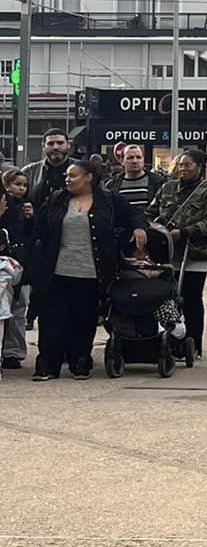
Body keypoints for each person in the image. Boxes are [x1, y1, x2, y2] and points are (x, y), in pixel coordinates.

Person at [25, 158, 142, 380]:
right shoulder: (58, 199)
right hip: (56, 270)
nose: (67, 179)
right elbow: (40, 228)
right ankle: (48, 364)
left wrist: (138, 228)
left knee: (83, 319)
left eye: (73, 175)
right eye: (67, 176)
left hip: (91, 271)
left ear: (88, 177)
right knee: (51, 319)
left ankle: (80, 361)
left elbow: (133, 214)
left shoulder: (108, 200)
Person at [154, 149, 207, 358]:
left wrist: (184, 233)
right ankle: (171, 340)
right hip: (169, 254)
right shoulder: (167, 188)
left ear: (199, 167)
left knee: (190, 297)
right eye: (181, 165)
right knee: (168, 297)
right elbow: (152, 211)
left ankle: (194, 343)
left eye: (188, 165)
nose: (183, 169)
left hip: (195, 253)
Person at [1, 166, 34, 370]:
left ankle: (14, 352)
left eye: (24, 185)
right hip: (7, 261)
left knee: (19, 309)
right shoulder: (5, 207)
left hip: (20, 263)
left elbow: (29, 235)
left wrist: (31, 218)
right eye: (17, 184)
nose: (21, 189)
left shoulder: (26, 207)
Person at [113, 142, 166, 229]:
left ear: (143, 160)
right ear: (122, 161)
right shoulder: (112, 185)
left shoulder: (158, 182)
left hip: (150, 231)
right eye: (130, 158)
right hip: (122, 233)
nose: (135, 161)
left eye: (138, 157)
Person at [25, 130, 74, 216]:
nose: (55, 147)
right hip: (36, 225)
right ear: (43, 146)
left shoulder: (83, 170)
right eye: (50, 143)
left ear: (68, 144)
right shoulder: (29, 171)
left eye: (60, 143)